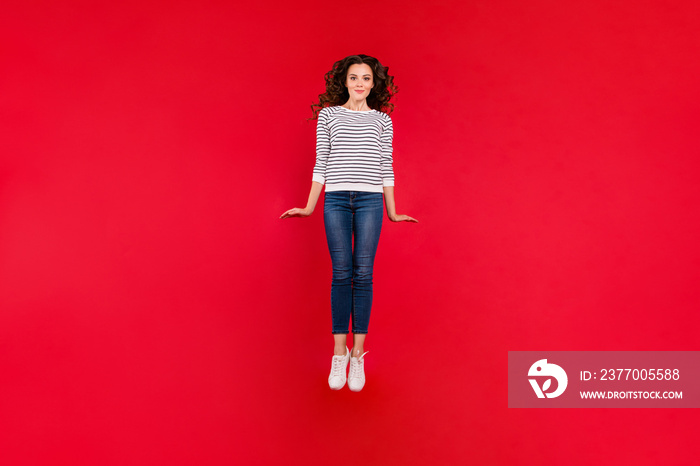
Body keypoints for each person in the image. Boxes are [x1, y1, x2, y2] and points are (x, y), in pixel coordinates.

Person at [280, 54, 417, 392]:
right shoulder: (329, 115)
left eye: (366, 78)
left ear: (374, 83)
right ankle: (338, 353)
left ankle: (358, 354)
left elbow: (386, 166)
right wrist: (310, 206)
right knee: (341, 271)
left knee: (364, 272)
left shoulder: (382, 121)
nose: (359, 83)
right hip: (337, 200)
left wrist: (393, 211)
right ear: (344, 81)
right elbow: (321, 163)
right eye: (354, 77)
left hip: (370, 200)